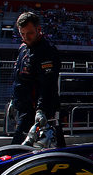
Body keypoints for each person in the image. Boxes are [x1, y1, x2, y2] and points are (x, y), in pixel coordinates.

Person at [10, 11, 61, 144]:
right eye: (22, 34)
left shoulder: (47, 51)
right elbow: (18, 79)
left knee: (17, 149)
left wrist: (41, 110)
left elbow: (48, 85)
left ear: (39, 29)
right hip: (23, 107)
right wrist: (13, 101)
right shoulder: (23, 48)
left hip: (38, 111)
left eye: (30, 33)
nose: (26, 37)